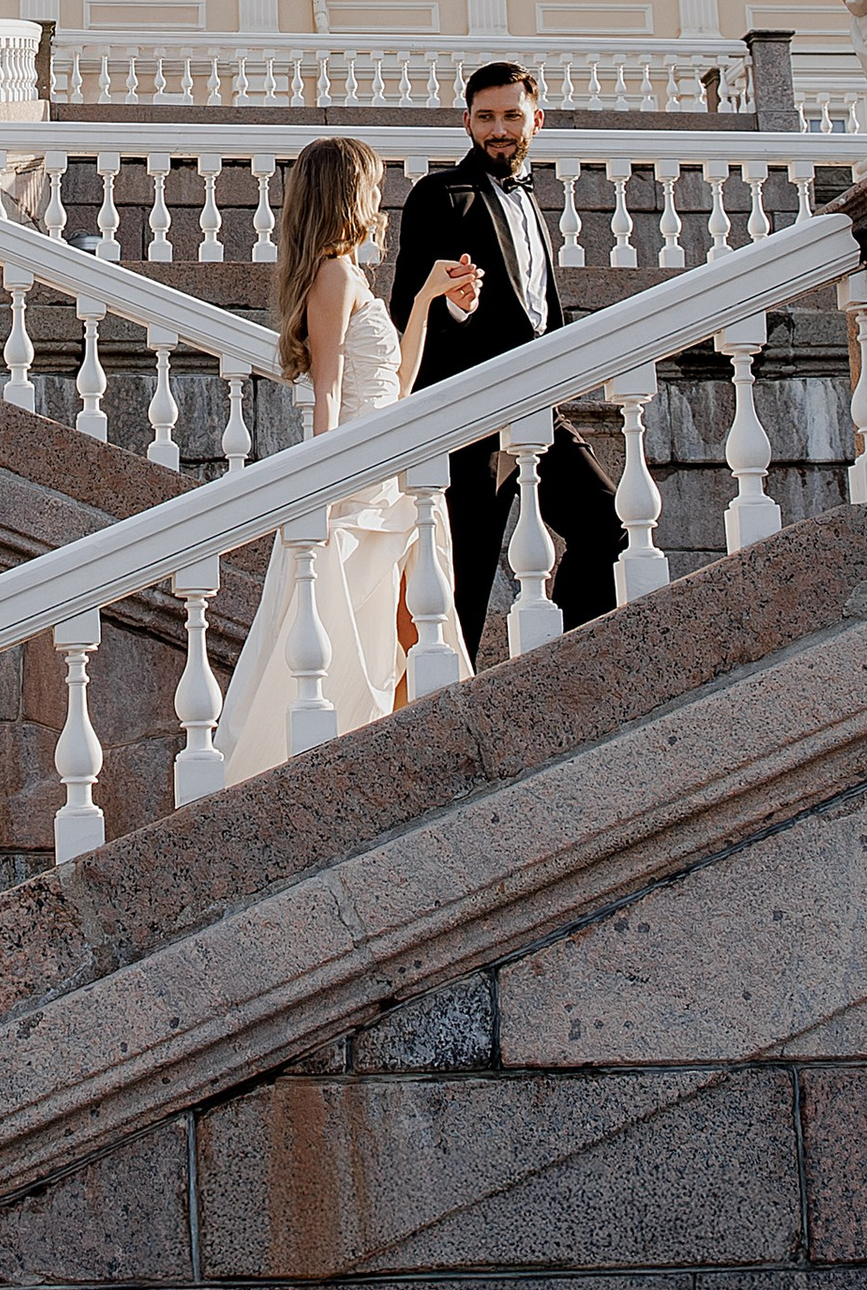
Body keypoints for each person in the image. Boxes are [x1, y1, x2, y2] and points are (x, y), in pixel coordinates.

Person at [213, 134, 481, 784]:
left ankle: (403, 769)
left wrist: (422, 302)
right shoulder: (332, 275)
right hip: (360, 489)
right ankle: (384, 772)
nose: (379, 197)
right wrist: (325, 497)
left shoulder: (354, 274)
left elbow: (397, 387)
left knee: (412, 636)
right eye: (370, 184)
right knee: (370, 644)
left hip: (388, 479)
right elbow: (328, 389)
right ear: (345, 194)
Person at [386, 59, 624, 658]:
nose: (499, 129)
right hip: (468, 419)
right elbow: (405, 310)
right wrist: (459, 309)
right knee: (461, 590)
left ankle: (563, 670)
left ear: (535, 121)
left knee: (608, 527)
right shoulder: (439, 196)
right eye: (486, 117)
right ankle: (443, 722)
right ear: (466, 122)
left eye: (511, 116)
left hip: (540, 409)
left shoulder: (532, 203)